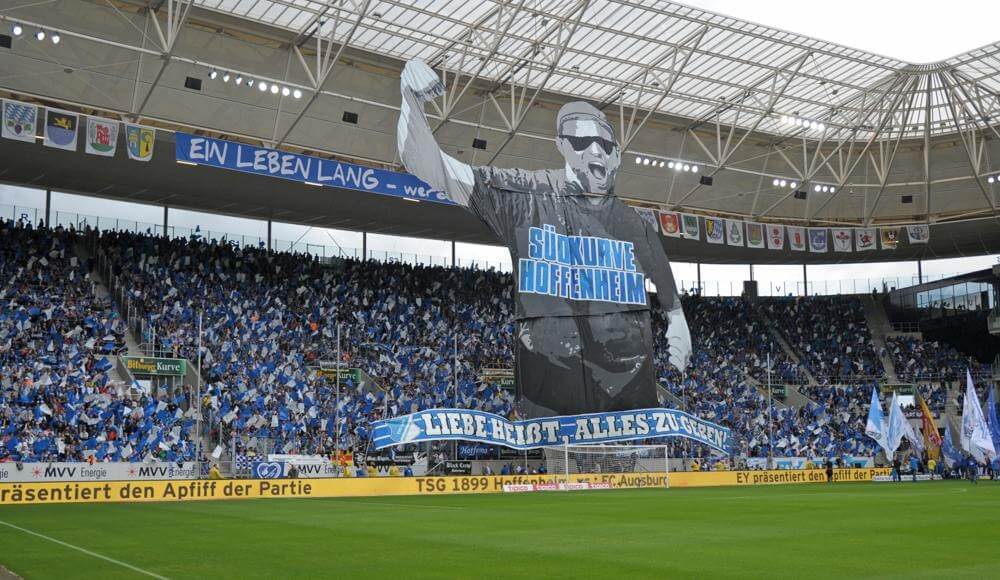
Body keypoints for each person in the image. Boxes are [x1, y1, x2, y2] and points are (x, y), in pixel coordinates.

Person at [397, 60, 692, 418]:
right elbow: (432, 166)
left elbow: (659, 269)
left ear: (617, 157)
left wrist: (676, 317)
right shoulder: (524, 195)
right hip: (552, 398)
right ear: (562, 146)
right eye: (582, 142)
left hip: (624, 403)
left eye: (604, 144)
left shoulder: (634, 223)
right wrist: (409, 97)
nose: (595, 151)